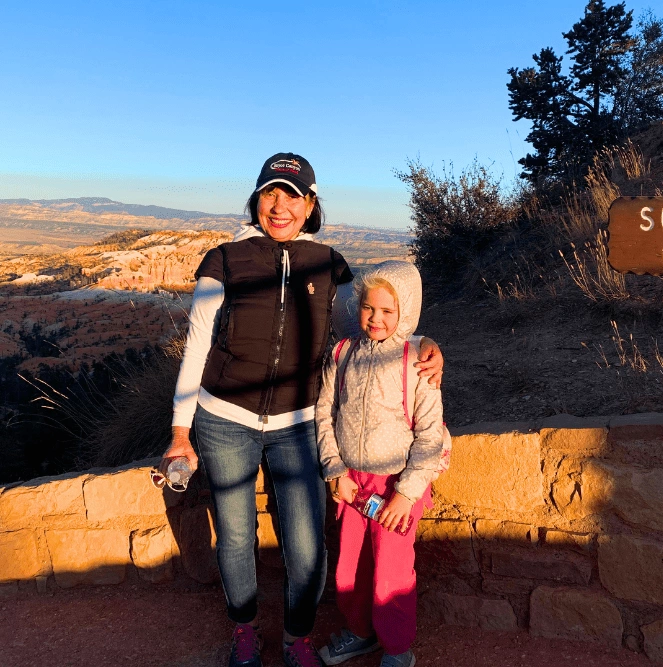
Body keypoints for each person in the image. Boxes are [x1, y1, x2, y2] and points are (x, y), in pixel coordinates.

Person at [160, 153, 443, 667]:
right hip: (224, 419)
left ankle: (298, 638)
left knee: (307, 544)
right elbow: (196, 347)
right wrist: (181, 434)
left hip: (297, 424)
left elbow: (372, 326)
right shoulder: (224, 259)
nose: (280, 206)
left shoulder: (328, 263)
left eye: (292, 196)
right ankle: (244, 630)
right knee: (236, 535)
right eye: (270, 193)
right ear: (256, 199)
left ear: (310, 205)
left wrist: (424, 343)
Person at [316, 261, 451, 667]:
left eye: (388, 311)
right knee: (349, 569)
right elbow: (325, 414)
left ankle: (396, 649)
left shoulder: (417, 361)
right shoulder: (342, 353)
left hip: (395, 486)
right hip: (351, 484)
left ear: (404, 311)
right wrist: (335, 470)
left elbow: (429, 434)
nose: (376, 319)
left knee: (391, 574)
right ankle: (361, 632)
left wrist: (405, 495)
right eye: (368, 308)